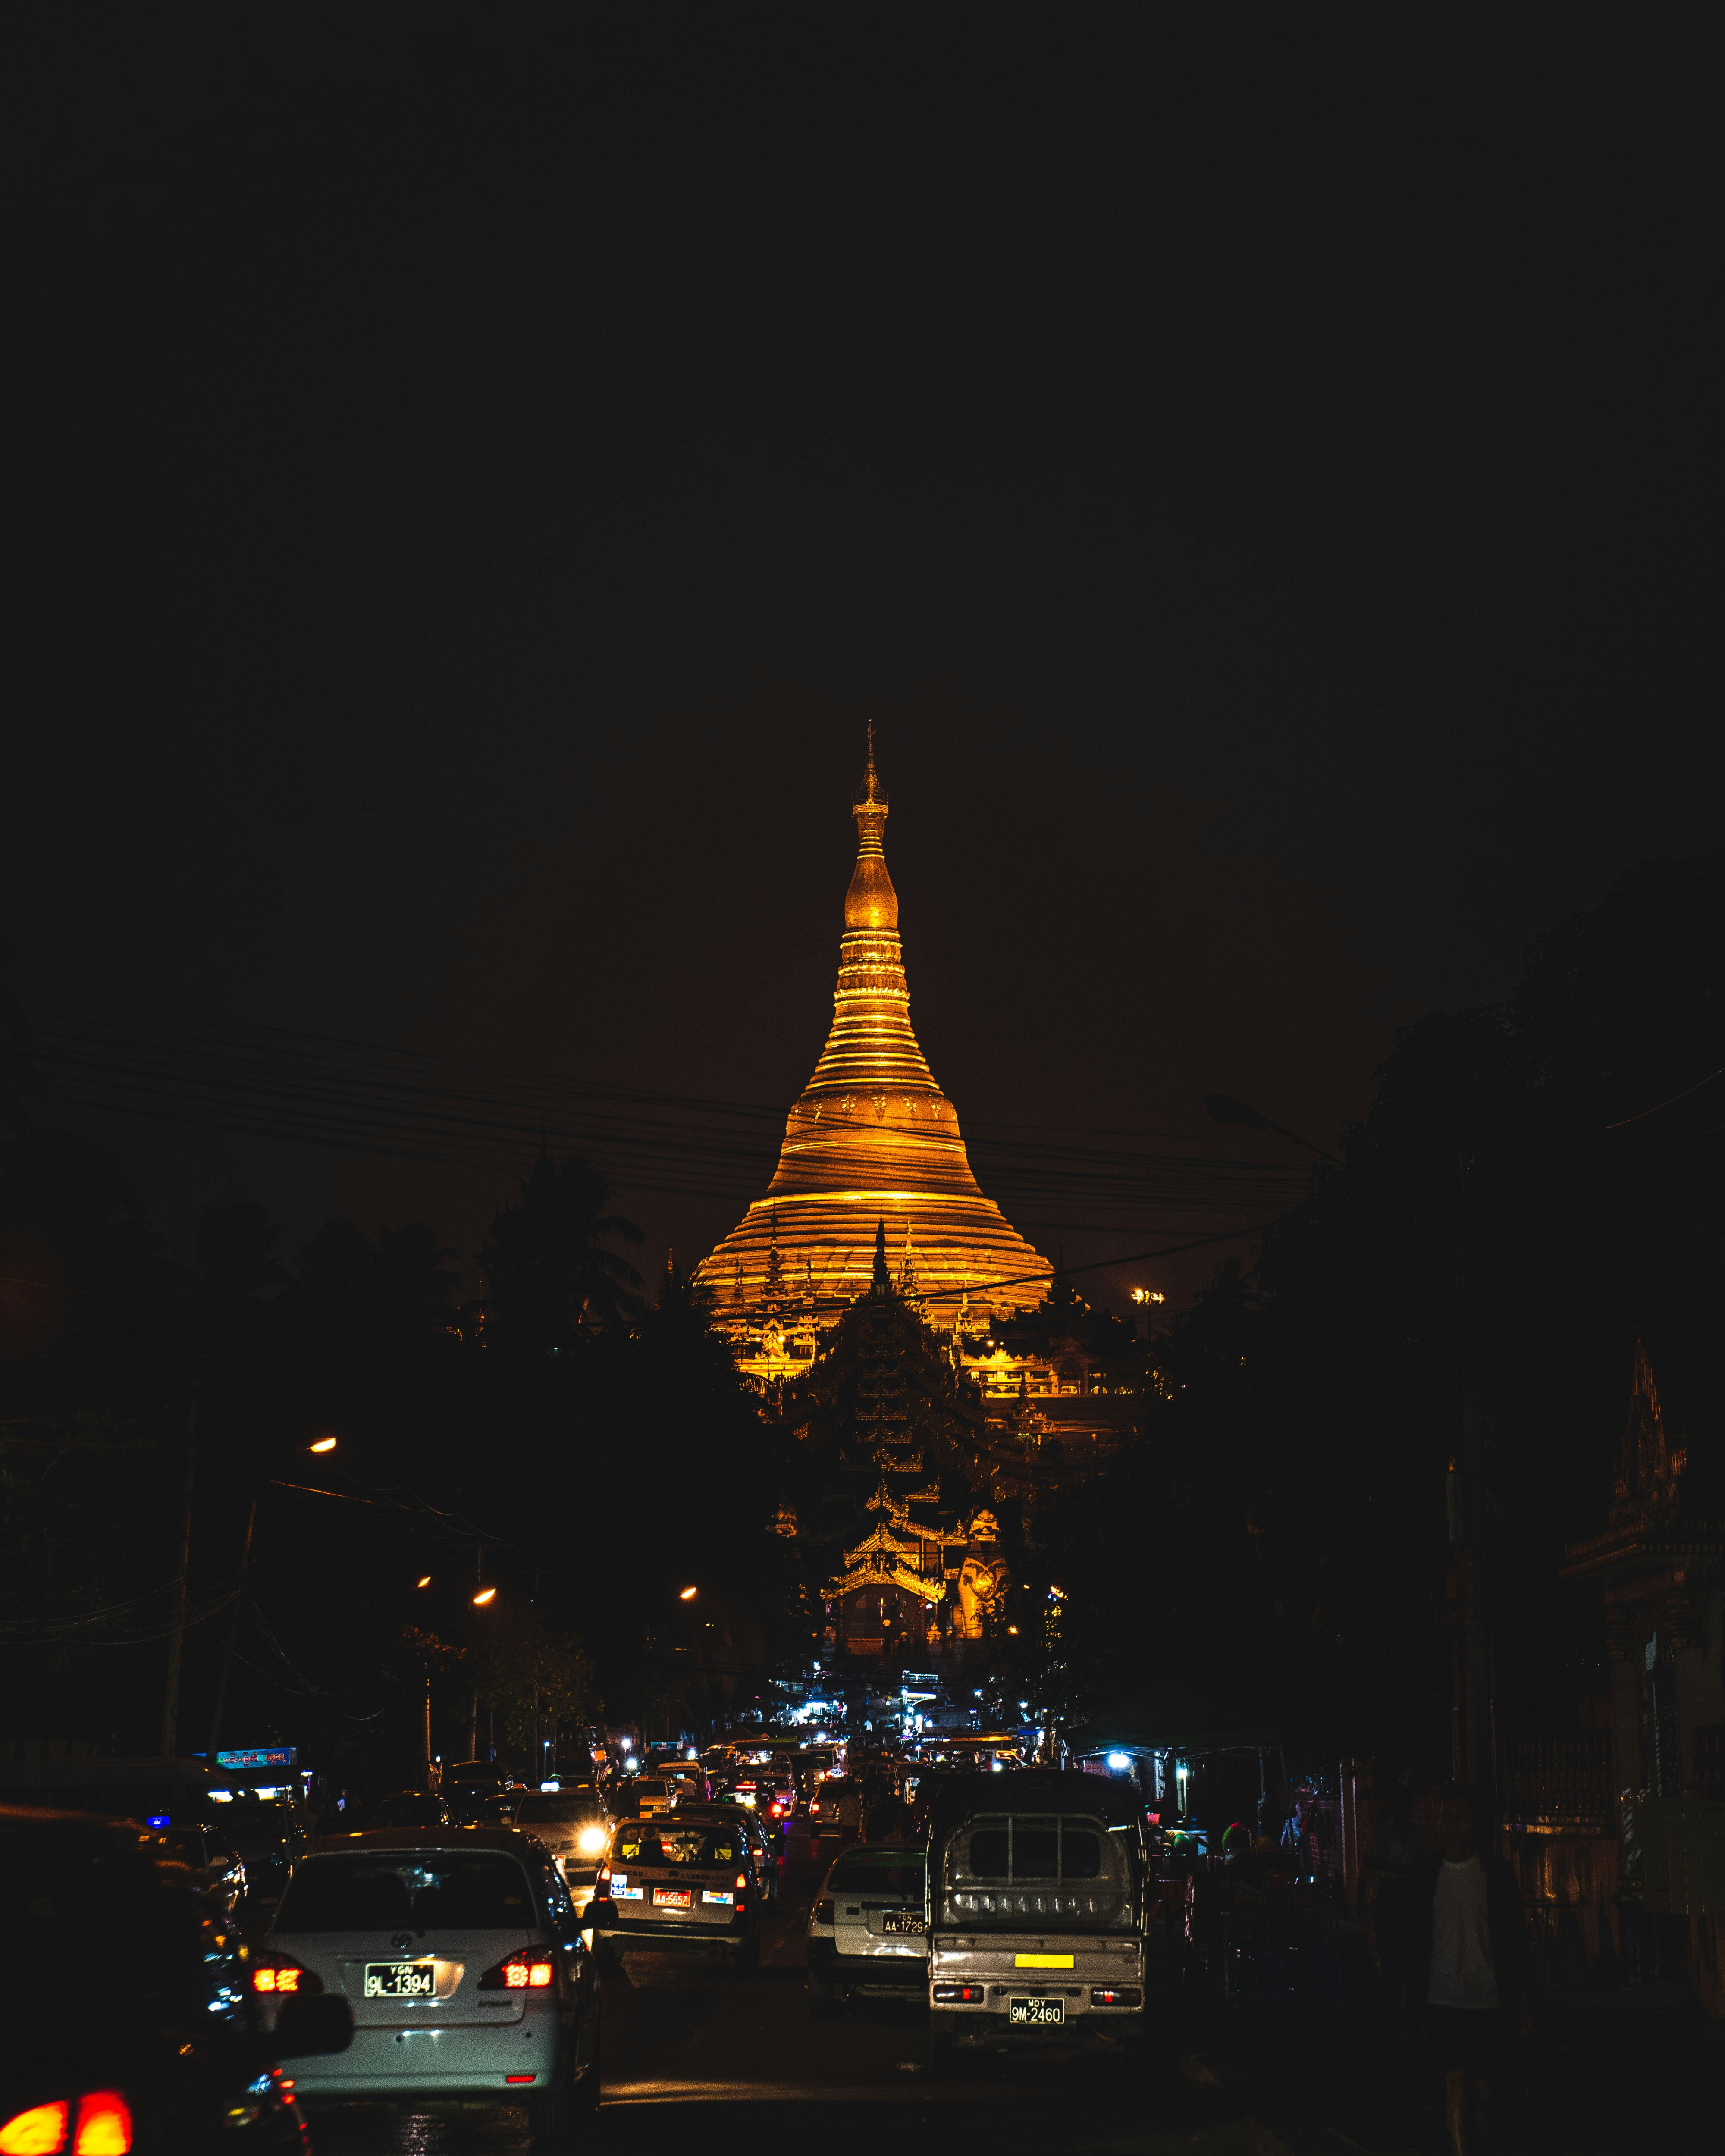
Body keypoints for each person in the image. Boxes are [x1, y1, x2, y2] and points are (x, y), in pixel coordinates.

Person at [1403, 1782, 1531, 2156]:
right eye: (1447, 1816)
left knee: (1484, 2090)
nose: (1453, 1824)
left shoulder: (1496, 1874)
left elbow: (1514, 1939)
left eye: (1461, 1816)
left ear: (1474, 1822)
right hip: (1444, 1999)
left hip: (1487, 1998)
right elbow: (1413, 1936)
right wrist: (1409, 1990)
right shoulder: (1427, 1874)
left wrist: (1523, 1996)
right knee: (1456, 2084)